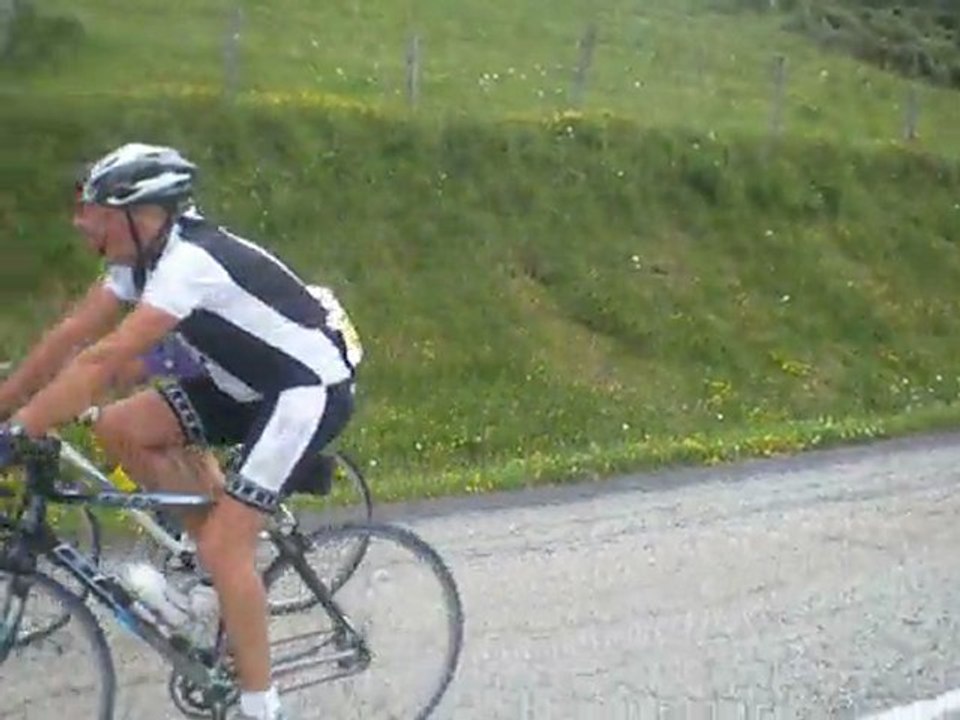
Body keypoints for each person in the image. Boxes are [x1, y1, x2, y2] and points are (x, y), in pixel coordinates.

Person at [0, 142, 361, 720]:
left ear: (138, 215)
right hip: (239, 381)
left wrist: (18, 431)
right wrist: (5, 407)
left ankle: (260, 705)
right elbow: (72, 336)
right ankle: (212, 577)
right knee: (121, 427)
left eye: (91, 210)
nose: (79, 221)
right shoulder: (137, 263)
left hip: (302, 390)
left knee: (225, 544)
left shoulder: (190, 262)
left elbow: (102, 359)